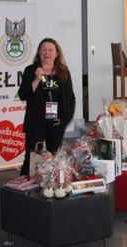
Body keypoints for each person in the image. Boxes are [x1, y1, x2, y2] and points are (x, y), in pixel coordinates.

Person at [18, 38, 76, 176]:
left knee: (55, 157)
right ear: (39, 52)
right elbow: (23, 95)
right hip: (36, 122)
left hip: (55, 122)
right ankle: (27, 184)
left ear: (56, 53)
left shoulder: (63, 72)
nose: (47, 53)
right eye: (44, 50)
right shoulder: (30, 70)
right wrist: (37, 79)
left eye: (50, 50)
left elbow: (71, 99)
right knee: (32, 157)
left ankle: (52, 184)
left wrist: (64, 119)